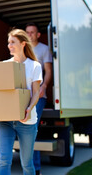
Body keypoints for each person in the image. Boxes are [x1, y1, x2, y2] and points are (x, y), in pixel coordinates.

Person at [0, 29, 42, 175]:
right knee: (4, 159)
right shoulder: (5, 64)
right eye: (8, 42)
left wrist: (28, 109)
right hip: (6, 120)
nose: (9, 45)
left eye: (13, 42)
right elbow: (0, 93)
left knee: (27, 163)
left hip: (27, 121)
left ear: (23, 44)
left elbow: (36, 93)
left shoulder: (34, 66)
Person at [25, 23, 53, 175]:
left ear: (38, 35)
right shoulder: (23, 49)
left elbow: (48, 71)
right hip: (24, 96)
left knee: (32, 128)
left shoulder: (43, 49)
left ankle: (35, 168)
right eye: (27, 32)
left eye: (32, 32)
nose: (29, 35)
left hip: (39, 96)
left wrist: (44, 87)